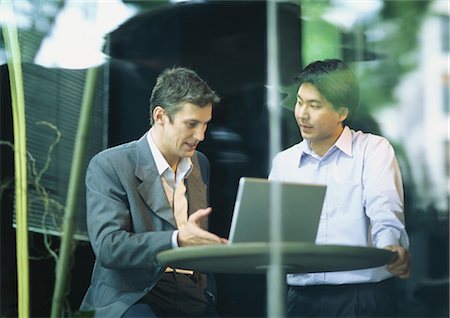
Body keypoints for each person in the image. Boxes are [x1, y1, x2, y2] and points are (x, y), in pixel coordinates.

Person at [79, 67, 228, 317]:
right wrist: (176, 240)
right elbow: (108, 247)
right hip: (135, 293)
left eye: (205, 125)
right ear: (160, 116)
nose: (200, 135)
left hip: (191, 291)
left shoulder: (200, 163)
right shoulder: (110, 164)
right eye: (191, 124)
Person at [268, 59, 411, 317]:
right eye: (300, 102)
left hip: (361, 296)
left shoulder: (372, 150)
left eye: (315, 106)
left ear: (341, 112)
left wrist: (389, 248)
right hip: (301, 298)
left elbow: (384, 209)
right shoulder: (284, 163)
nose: (302, 113)